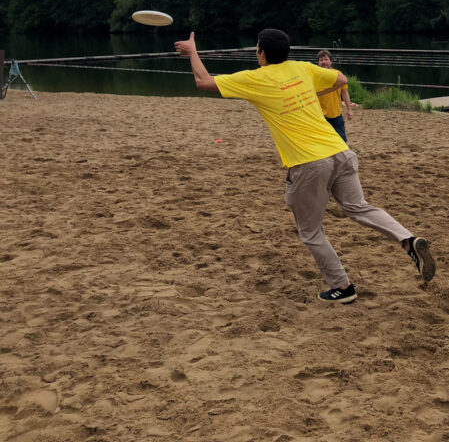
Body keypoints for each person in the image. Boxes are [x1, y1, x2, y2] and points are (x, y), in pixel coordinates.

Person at [173, 28, 435, 304]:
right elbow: (341, 79)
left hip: (309, 163)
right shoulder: (303, 68)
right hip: (340, 152)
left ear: (261, 53)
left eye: (256, 48)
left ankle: (342, 287)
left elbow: (203, 81)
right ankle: (408, 240)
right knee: (359, 207)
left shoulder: (256, 78)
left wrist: (192, 52)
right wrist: (309, 91)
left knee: (310, 232)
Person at [316, 50, 353, 142]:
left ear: (331, 61)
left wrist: (349, 109)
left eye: (326, 59)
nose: (323, 62)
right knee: (323, 141)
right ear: (318, 62)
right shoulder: (314, 75)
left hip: (335, 113)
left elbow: (344, 93)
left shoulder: (338, 74)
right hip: (319, 115)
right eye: (321, 60)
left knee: (341, 140)